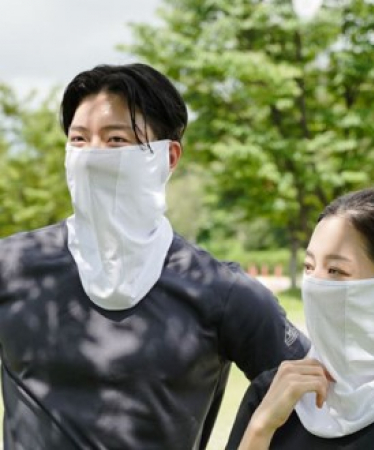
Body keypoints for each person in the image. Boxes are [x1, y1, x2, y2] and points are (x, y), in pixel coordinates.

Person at [0, 63, 310, 450]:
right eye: (79, 140)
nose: (92, 156)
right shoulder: (12, 266)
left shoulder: (220, 291)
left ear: (169, 157)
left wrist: (256, 434)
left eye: (115, 140)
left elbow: (318, 400)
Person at [226, 187, 374, 450]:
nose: (315, 285)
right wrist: (261, 427)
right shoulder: (272, 393)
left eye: (335, 270)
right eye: (309, 267)